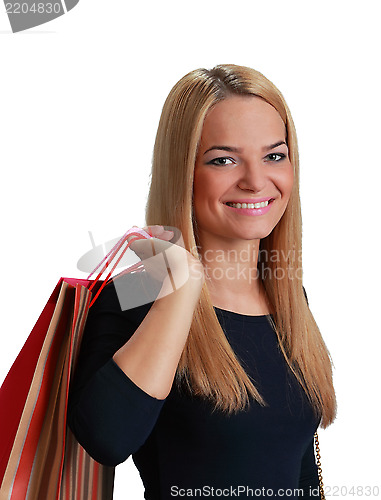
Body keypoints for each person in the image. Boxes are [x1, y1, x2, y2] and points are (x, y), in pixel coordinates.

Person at [68, 64, 337, 499]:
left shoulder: (285, 294)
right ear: (183, 172)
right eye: (224, 160)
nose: (255, 181)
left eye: (274, 155)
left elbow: (301, 470)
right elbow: (105, 440)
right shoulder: (134, 293)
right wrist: (182, 288)